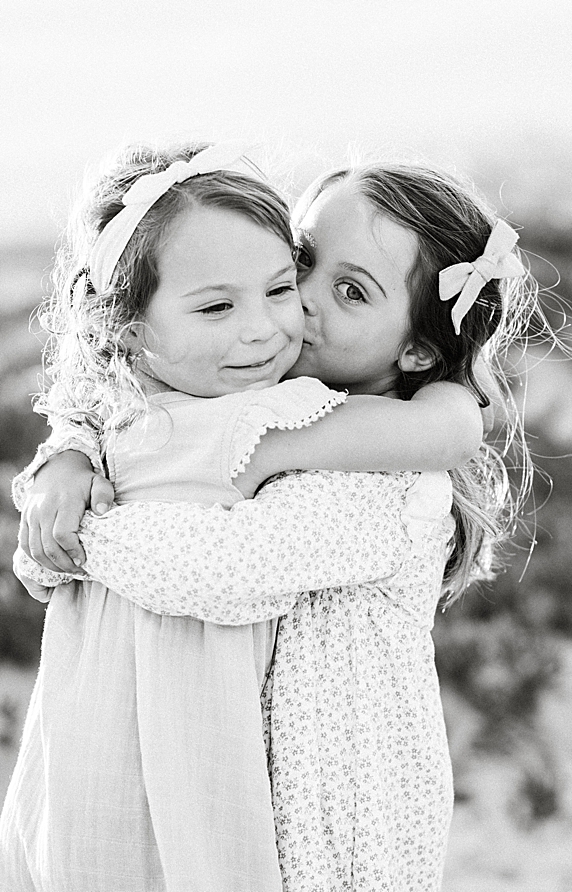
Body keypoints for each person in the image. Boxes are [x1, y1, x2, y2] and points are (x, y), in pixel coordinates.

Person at [5, 145, 533, 892]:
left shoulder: (382, 477)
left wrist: (86, 529)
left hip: (337, 819)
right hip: (223, 789)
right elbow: (113, 400)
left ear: (416, 350)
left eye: (351, 291)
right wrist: (70, 456)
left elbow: (225, 566)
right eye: (302, 260)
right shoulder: (243, 388)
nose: (297, 302)